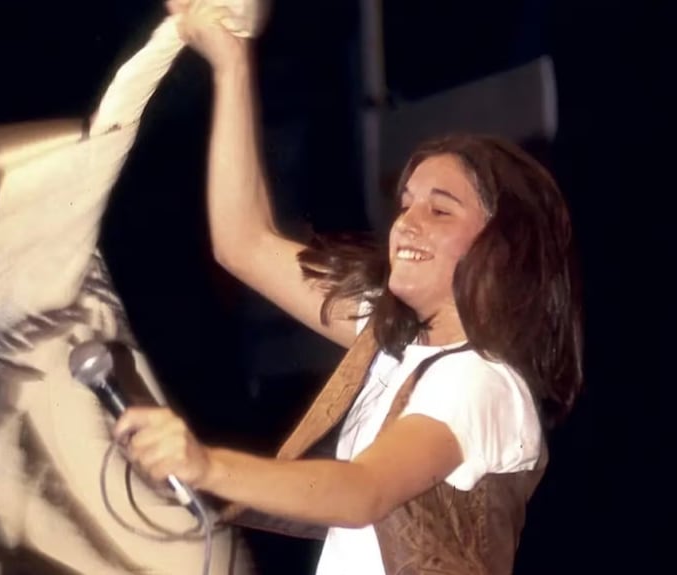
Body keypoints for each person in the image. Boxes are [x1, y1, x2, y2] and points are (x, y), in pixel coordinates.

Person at [114, 1, 584, 573]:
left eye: (440, 210)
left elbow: (365, 491)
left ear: (504, 249)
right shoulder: (390, 342)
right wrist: (232, 65)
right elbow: (244, 243)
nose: (406, 222)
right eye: (406, 204)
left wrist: (207, 465)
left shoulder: (481, 381)